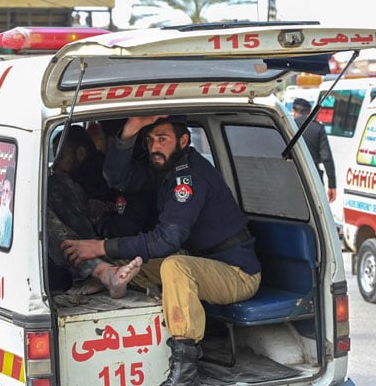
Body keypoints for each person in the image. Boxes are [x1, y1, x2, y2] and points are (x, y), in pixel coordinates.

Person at [60, 115, 262, 386]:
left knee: (174, 266)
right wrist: (130, 131)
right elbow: (116, 178)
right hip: (201, 262)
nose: (155, 146)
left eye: (162, 139)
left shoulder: (189, 177)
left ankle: (184, 372)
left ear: (184, 141)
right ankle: (108, 279)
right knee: (132, 262)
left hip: (237, 272)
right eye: (150, 139)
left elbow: (168, 240)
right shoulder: (163, 170)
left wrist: (99, 246)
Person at [48, 125, 142, 298]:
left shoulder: (94, 172)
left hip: (109, 241)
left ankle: (100, 271)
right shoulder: (95, 172)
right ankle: (100, 270)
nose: (57, 165)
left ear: (81, 153)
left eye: (61, 157)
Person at [292, 98, 337, 202]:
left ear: (293, 111)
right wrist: (332, 184)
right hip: (313, 176)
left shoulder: (288, 126)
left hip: (291, 174)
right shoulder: (318, 128)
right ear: (309, 112)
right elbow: (327, 158)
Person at [0, 166, 14, 247]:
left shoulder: (11, 220)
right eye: (3, 191)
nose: (4, 197)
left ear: (11, 195)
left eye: (7, 191)